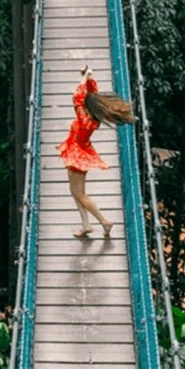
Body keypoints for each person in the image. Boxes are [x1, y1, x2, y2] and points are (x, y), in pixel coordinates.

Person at [57, 65, 135, 239]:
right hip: (79, 150)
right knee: (74, 190)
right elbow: (91, 94)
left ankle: (104, 221)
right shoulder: (94, 116)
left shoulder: (84, 119)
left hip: (77, 154)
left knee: (80, 193)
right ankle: (85, 224)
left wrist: (85, 77)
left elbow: (77, 97)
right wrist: (88, 77)